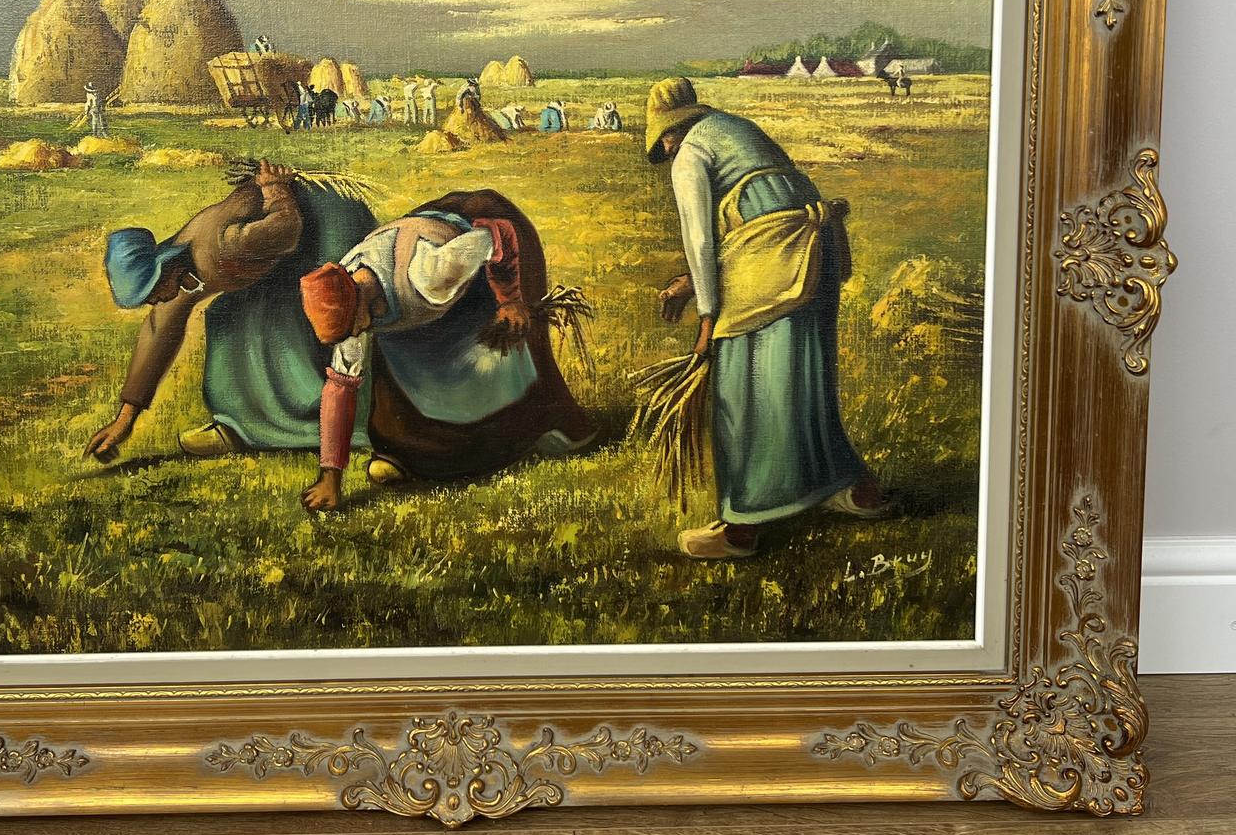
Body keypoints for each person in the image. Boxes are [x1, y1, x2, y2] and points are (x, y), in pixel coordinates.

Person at [643, 77, 890, 559]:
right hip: (814, 250)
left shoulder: (690, 154)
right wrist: (691, 284)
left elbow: (703, 240)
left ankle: (742, 526)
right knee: (807, 377)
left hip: (774, 264)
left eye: (663, 142)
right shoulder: (737, 129)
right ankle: (859, 492)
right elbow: (755, 224)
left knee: (742, 386)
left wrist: (707, 319)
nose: (667, 151)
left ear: (671, 132)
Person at [295, 190, 595, 511]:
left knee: (506, 350)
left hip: (480, 240)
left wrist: (509, 299)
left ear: (361, 300)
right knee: (399, 374)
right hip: (421, 288)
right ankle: (403, 454)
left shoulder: (431, 273)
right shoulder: (344, 292)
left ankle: (546, 423)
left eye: (352, 327)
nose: (353, 335)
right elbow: (341, 387)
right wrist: (330, 478)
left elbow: (497, 236)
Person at [86, 160, 378, 463]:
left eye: (151, 292)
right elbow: (159, 331)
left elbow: (286, 230)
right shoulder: (179, 271)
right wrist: (124, 421)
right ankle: (241, 427)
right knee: (224, 318)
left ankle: (340, 423)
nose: (154, 301)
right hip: (282, 246)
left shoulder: (222, 247)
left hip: (329, 221)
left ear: (164, 268)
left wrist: (274, 187)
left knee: (310, 315)